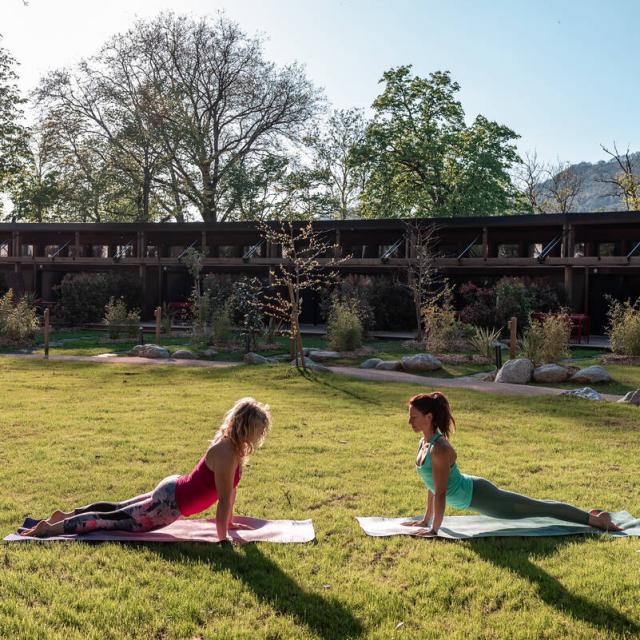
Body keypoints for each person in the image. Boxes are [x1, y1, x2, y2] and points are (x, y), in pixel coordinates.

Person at [21, 397, 271, 542]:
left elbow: (228, 494)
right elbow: (224, 500)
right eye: (259, 429)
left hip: (173, 490)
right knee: (109, 522)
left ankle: (62, 516)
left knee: (117, 510)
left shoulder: (232, 447)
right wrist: (222, 539)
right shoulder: (228, 453)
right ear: (245, 427)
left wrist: (229, 524)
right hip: (170, 505)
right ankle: (49, 529)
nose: (261, 435)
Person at [402, 392, 622, 536]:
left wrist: (434, 529)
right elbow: (432, 485)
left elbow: (440, 492)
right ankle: (590, 516)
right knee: (536, 506)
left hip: (482, 496)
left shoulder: (439, 448)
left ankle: (596, 520)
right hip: (474, 496)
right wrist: (425, 520)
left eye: (413, 417)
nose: (409, 421)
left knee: (537, 508)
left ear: (429, 417)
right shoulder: (425, 443)